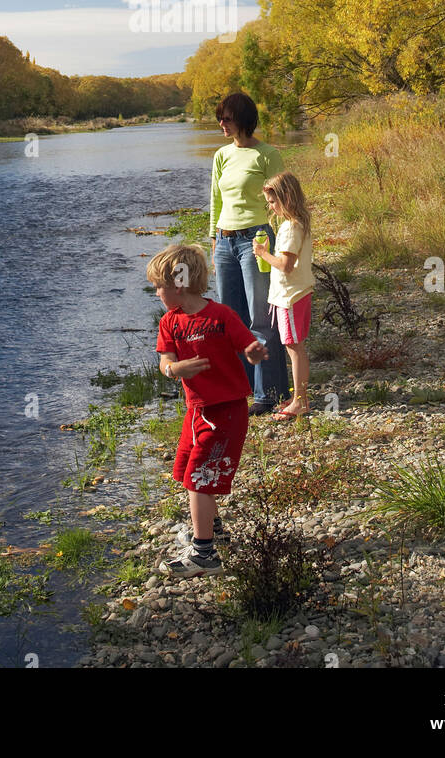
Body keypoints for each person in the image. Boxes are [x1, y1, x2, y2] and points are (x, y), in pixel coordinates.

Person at [148, 242, 267, 577]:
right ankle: (213, 530)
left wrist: (255, 352)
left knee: (201, 479)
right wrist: (174, 369)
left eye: (159, 286)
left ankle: (204, 555)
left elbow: (248, 345)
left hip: (225, 411)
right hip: (196, 411)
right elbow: (165, 360)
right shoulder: (169, 322)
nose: (156, 292)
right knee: (187, 471)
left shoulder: (221, 315)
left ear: (179, 283)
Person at [210, 91, 290, 414]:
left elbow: (283, 202)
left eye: (226, 118)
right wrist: (213, 239)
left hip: (256, 241)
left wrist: (284, 243)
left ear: (242, 119)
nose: (221, 124)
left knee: (261, 319)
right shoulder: (220, 156)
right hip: (224, 242)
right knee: (230, 320)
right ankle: (238, 387)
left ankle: (268, 392)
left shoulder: (267, 154)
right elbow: (216, 200)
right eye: (219, 118)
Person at [253, 172, 315, 420]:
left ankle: (300, 401)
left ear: (286, 197)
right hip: (298, 292)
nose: (271, 206)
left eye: (272, 201)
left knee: (294, 347)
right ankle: (300, 397)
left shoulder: (290, 227)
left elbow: (286, 265)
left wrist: (262, 254)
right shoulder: (299, 222)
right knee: (295, 346)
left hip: (290, 296)